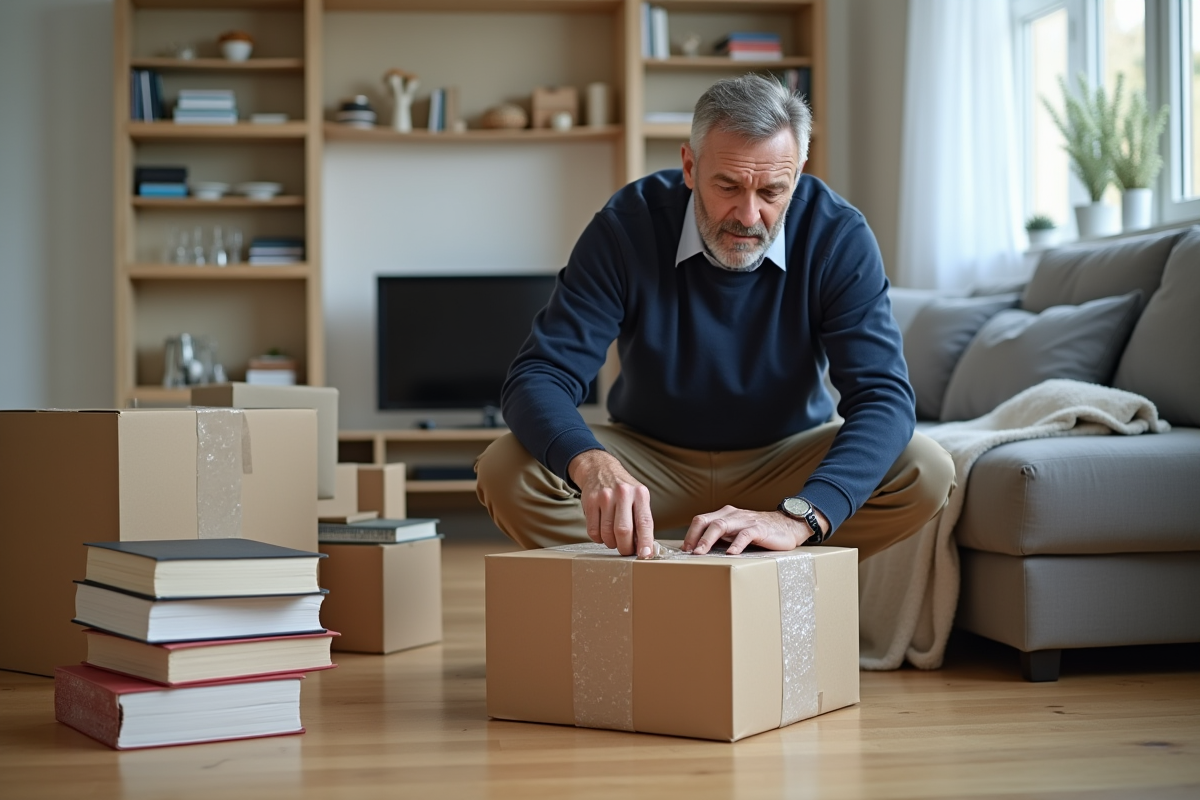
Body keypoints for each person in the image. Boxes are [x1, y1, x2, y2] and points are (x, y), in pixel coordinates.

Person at [476, 74, 954, 561]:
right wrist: (592, 463)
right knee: (506, 471)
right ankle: (671, 572)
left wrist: (801, 517)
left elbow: (883, 396)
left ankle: (735, 564)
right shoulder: (626, 226)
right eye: (728, 185)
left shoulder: (838, 235)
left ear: (798, 173)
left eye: (772, 191)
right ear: (689, 166)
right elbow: (540, 375)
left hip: (787, 458)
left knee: (924, 471)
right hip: (649, 460)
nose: (748, 215)